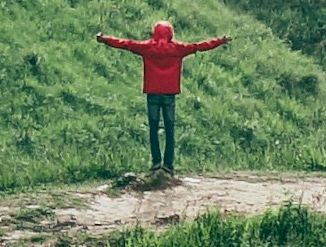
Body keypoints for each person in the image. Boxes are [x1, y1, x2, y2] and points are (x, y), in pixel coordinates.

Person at [94, 16, 229, 177]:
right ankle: (169, 165)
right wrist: (220, 41)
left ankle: (156, 162)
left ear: (155, 33)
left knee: (153, 128)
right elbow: (199, 46)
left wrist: (104, 39)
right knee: (170, 129)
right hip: (170, 95)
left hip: (152, 93)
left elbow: (125, 44)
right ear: (170, 33)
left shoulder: (147, 48)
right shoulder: (177, 49)